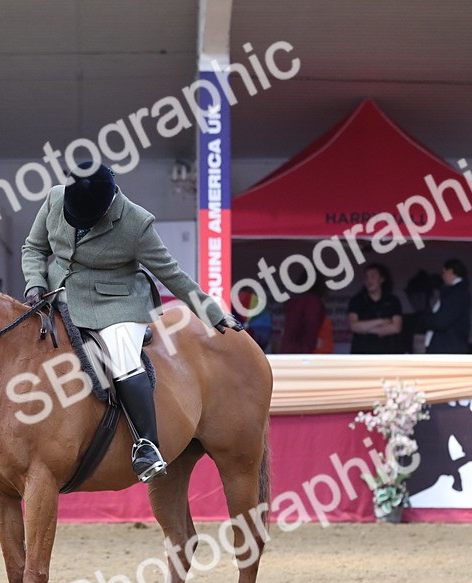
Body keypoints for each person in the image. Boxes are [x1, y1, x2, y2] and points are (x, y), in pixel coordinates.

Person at [22, 163, 240, 483]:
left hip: (116, 302)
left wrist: (211, 311)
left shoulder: (136, 223)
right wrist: (34, 282)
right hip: (58, 292)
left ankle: (146, 445)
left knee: (122, 355)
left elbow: (171, 273)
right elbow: (34, 247)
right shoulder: (56, 198)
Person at [347, 263, 403, 354]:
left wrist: (366, 329)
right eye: (366, 277)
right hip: (362, 353)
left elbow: (396, 328)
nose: (369, 280)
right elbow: (354, 326)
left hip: (388, 354)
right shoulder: (356, 301)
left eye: (373, 276)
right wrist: (382, 321)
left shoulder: (393, 301)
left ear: (382, 279)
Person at [425, 259, 472, 354]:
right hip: (448, 346)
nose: (443, 276)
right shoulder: (456, 293)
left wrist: (427, 319)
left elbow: (441, 321)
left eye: (444, 272)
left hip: (448, 348)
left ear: (450, 271)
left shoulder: (457, 294)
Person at [279, 281, 328, 354]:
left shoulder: (296, 303)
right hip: (302, 353)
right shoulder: (312, 303)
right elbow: (310, 326)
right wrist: (313, 343)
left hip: (289, 351)